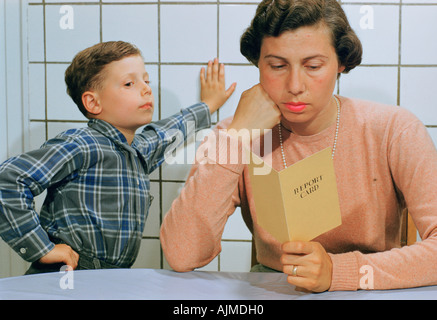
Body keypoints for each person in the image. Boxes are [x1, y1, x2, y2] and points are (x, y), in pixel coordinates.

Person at [160, 0, 437, 292]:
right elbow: (182, 254)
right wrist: (237, 138)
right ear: (258, 64)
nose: (294, 85)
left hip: (370, 286)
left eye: (313, 66)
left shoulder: (395, 129)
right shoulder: (236, 133)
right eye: (277, 66)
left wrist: (338, 272)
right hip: (273, 287)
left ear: (340, 62)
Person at [0, 41, 236, 274]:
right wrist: (41, 249)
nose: (146, 88)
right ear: (93, 102)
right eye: (129, 83)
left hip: (109, 276)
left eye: (146, 80)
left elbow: (168, 132)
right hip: (67, 275)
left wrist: (208, 105)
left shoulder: (138, 151)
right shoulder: (81, 144)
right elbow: (8, 180)